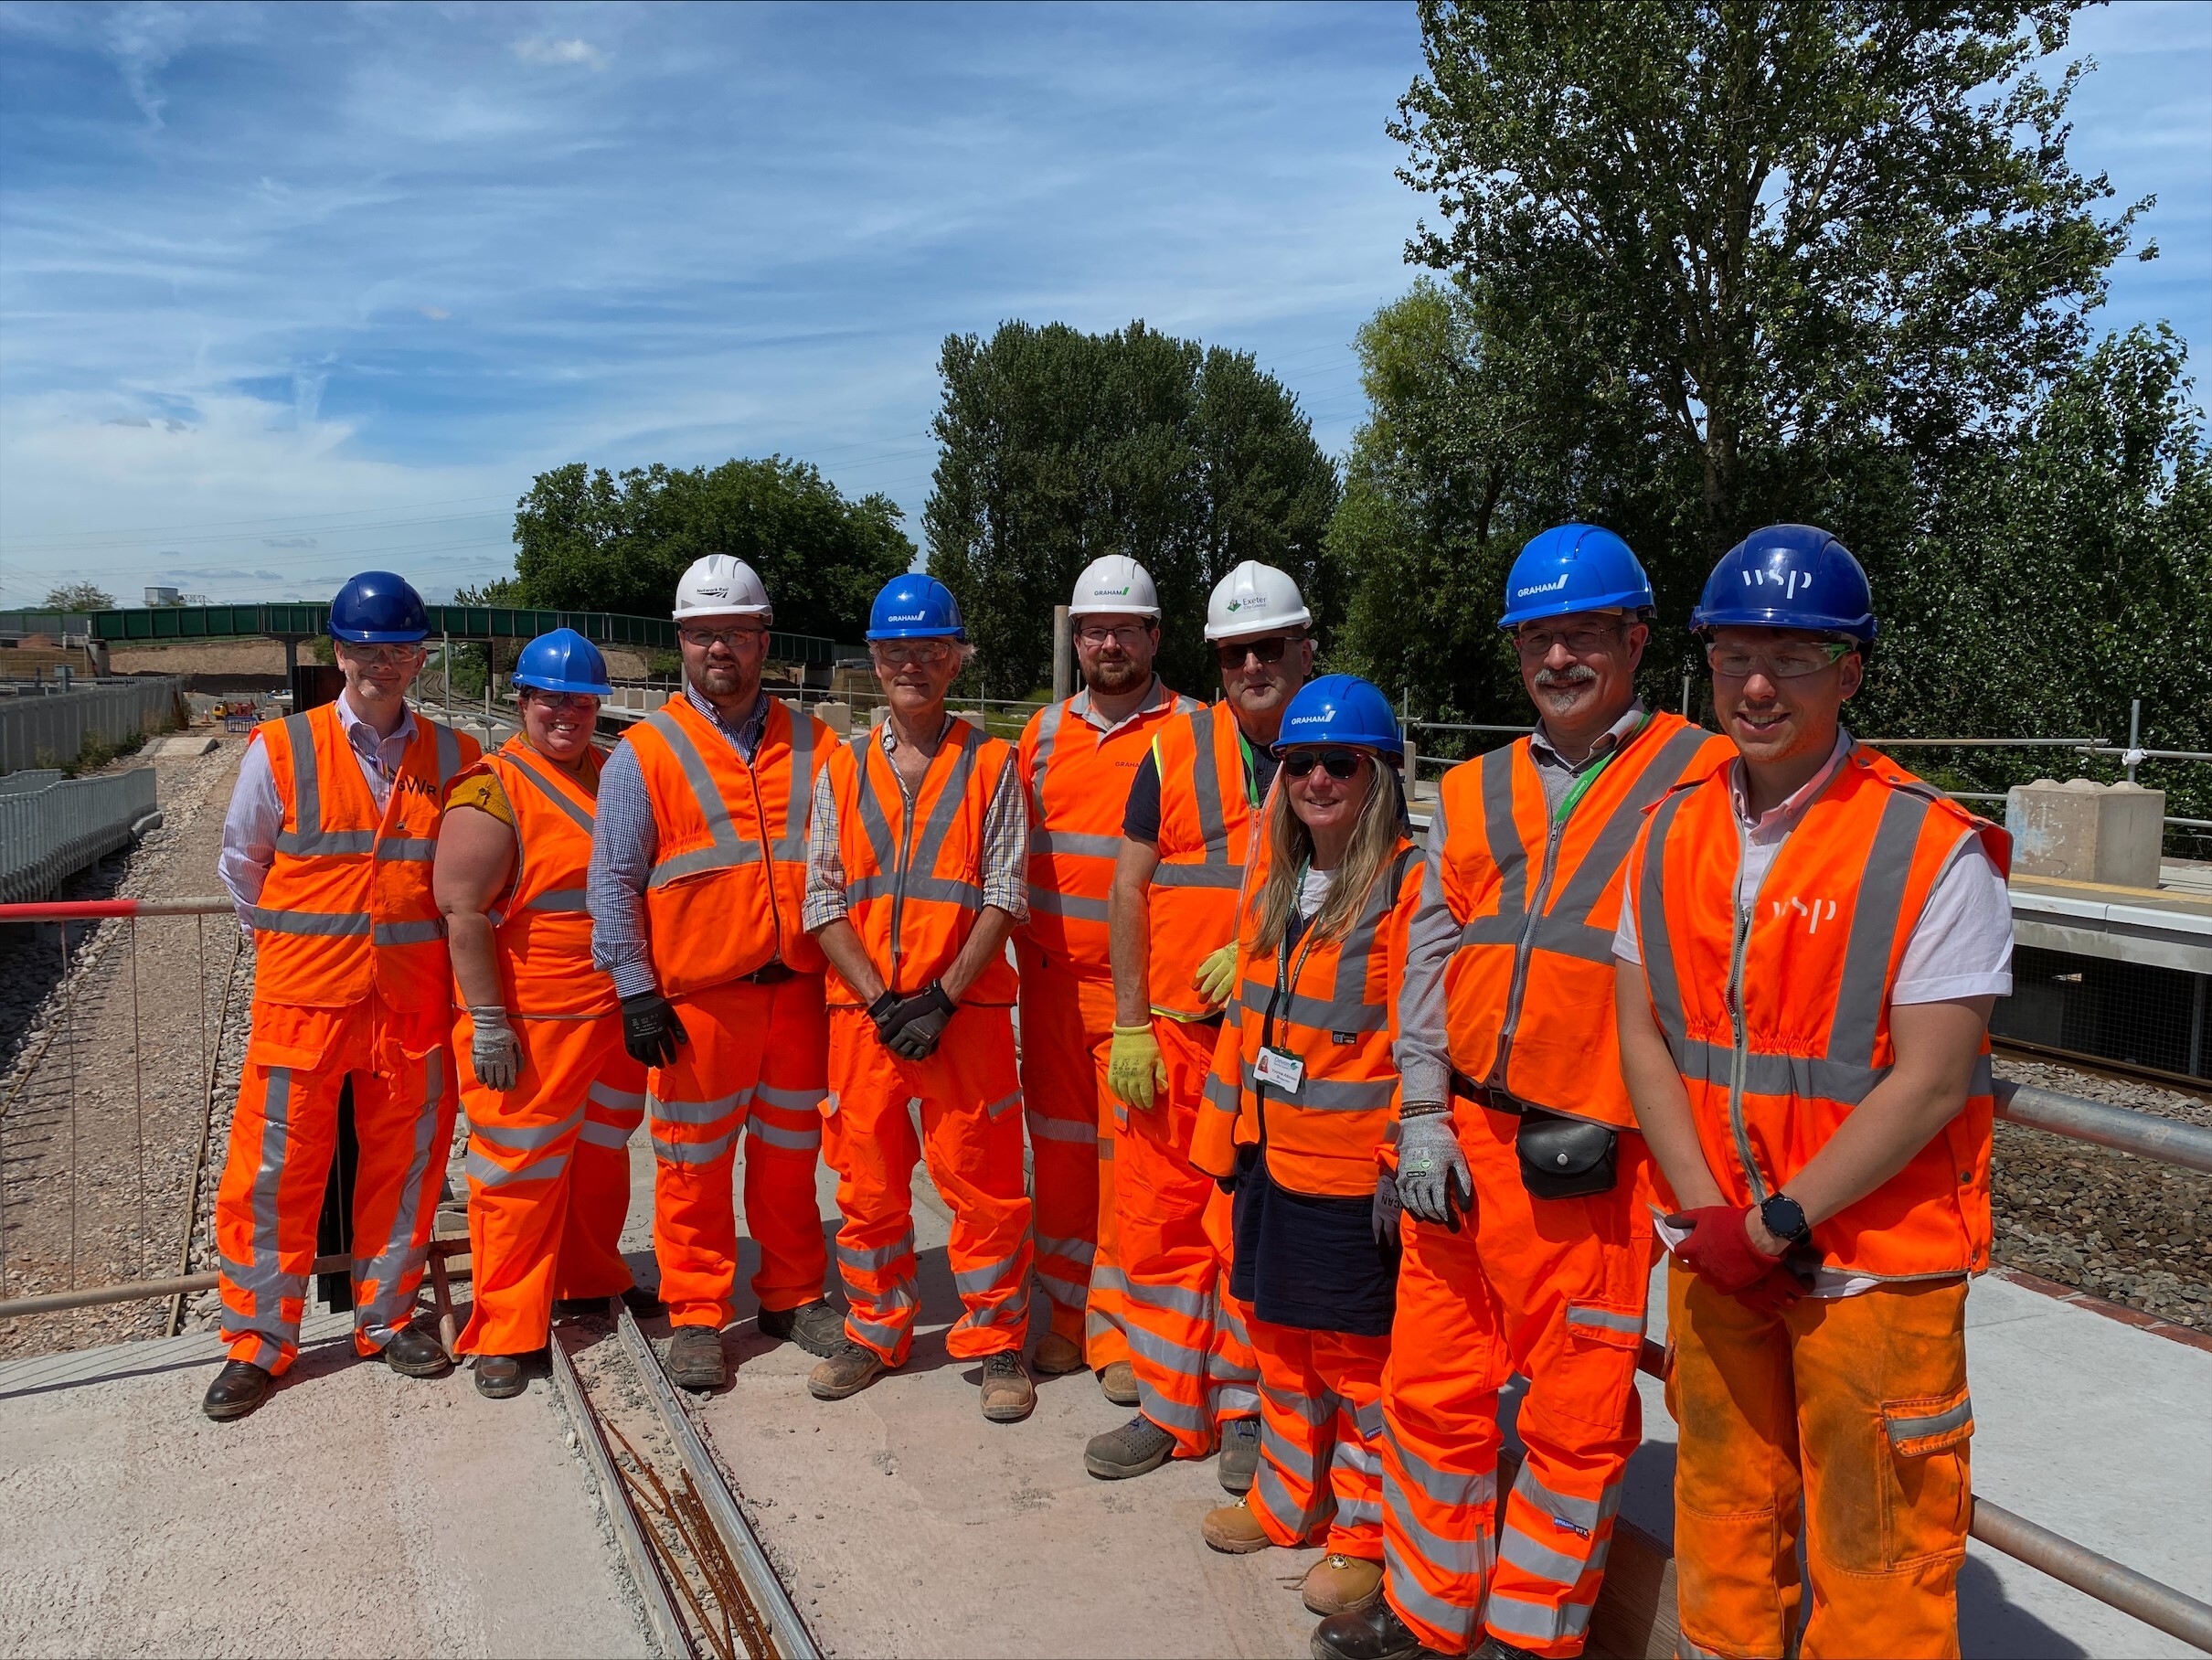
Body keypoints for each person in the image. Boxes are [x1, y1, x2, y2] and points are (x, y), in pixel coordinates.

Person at [1316, 527, 1733, 1660]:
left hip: (1593, 1158)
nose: (1557, 657)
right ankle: (1425, 1612)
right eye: (1536, 638)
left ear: (1634, 640)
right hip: (1461, 1142)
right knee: (1430, 1389)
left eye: (1582, 633)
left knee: (1572, 1415)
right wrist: (1415, 1112)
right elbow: (1430, 956)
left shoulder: (1701, 775)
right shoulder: (1484, 781)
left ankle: (1529, 1636)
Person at [1614, 525, 2012, 1659]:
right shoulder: (1666, 828)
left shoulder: (1929, 847)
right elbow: (1643, 1034)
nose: (1755, 684)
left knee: (1879, 1565)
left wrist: (1775, 1221)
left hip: (1870, 1271)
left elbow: (1931, 1081)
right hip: (1716, 1248)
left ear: (1849, 671)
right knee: (1723, 1523)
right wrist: (1710, 1218)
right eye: (1735, 652)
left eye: (1792, 657)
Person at [204, 570, 481, 1421]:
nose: (384, 665)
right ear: (339, 653)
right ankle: (258, 1341)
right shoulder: (280, 749)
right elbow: (240, 868)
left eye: (400, 650)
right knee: (272, 1175)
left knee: (405, 1171)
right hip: (304, 1007)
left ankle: (388, 1319)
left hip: (410, 1006)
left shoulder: (457, 757)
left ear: (419, 657)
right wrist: (299, 947)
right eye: (368, 649)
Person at [1188, 675, 1426, 1623]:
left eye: (1342, 762)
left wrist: (1396, 1161)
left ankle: (1362, 1532)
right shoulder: (1279, 878)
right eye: (1299, 762)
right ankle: (1286, 1497)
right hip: (1268, 1159)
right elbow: (1249, 1033)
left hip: (1347, 1177)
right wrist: (1224, 1147)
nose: (1317, 778)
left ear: (1379, 775)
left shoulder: (1406, 882)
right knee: (1279, 1348)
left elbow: (1421, 1037)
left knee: (1358, 1368)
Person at [587, 556, 841, 1392]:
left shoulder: (819, 742)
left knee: (789, 1156)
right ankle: (697, 1310)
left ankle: (793, 1291)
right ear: (682, 644)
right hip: (699, 1005)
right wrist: (634, 988)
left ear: (766, 639)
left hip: (800, 991)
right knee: (692, 1163)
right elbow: (613, 879)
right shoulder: (646, 752)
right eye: (702, 635)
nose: (718, 649)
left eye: (734, 632)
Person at [1090, 559, 1314, 1487]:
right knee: (1157, 1225)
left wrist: (1262, 956)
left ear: (1305, 647)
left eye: (1268, 646)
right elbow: (1128, 888)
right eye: (1233, 653)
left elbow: (1372, 889)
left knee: (1252, 1237)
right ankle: (1167, 1405)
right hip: (1177, 1036)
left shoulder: (1339, 745)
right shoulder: (1169, 749)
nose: (1251, 664)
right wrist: (1131, 1022)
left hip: (1276, 1049)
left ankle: (1246, 1410)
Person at [802, 573, 1038, 1424]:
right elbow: (821, 898)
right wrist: (880, 1001)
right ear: (874, 659)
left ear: (956, 656)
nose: (914, 663)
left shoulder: (993, 763)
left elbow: (1005, 891)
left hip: (962, 1015)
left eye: (931, 648)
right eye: (898, 650)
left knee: (981, 1184)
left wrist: (940, 996)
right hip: (865, 1019)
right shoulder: (842, 768)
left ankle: (997, 1336)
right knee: (866, 1183)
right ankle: (875, 1328)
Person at [434, 628, 643, 1398]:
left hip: (609, 1011)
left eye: (583, 701)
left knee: (599, 1156)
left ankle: (589, 1279)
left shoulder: (612, 776)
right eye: (551, 699)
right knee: (516, 1173)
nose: (568, 713)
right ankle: (507, 1327)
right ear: (522, 701)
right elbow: (462, 912)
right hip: (533, 1022)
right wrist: (487, 1021)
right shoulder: (492, 790)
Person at [1016, 556, 1201, 1401]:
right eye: (1094, 629)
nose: (1109, 643)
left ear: (1156, 637)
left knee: (1130, 1169)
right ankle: (1057, 1317)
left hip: (1140, 994)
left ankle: (1118, 1332)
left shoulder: (1196, 733)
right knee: (1057, 1163)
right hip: (1050, 988)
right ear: (1076, 639)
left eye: (1127, 628)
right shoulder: (1042, 734)